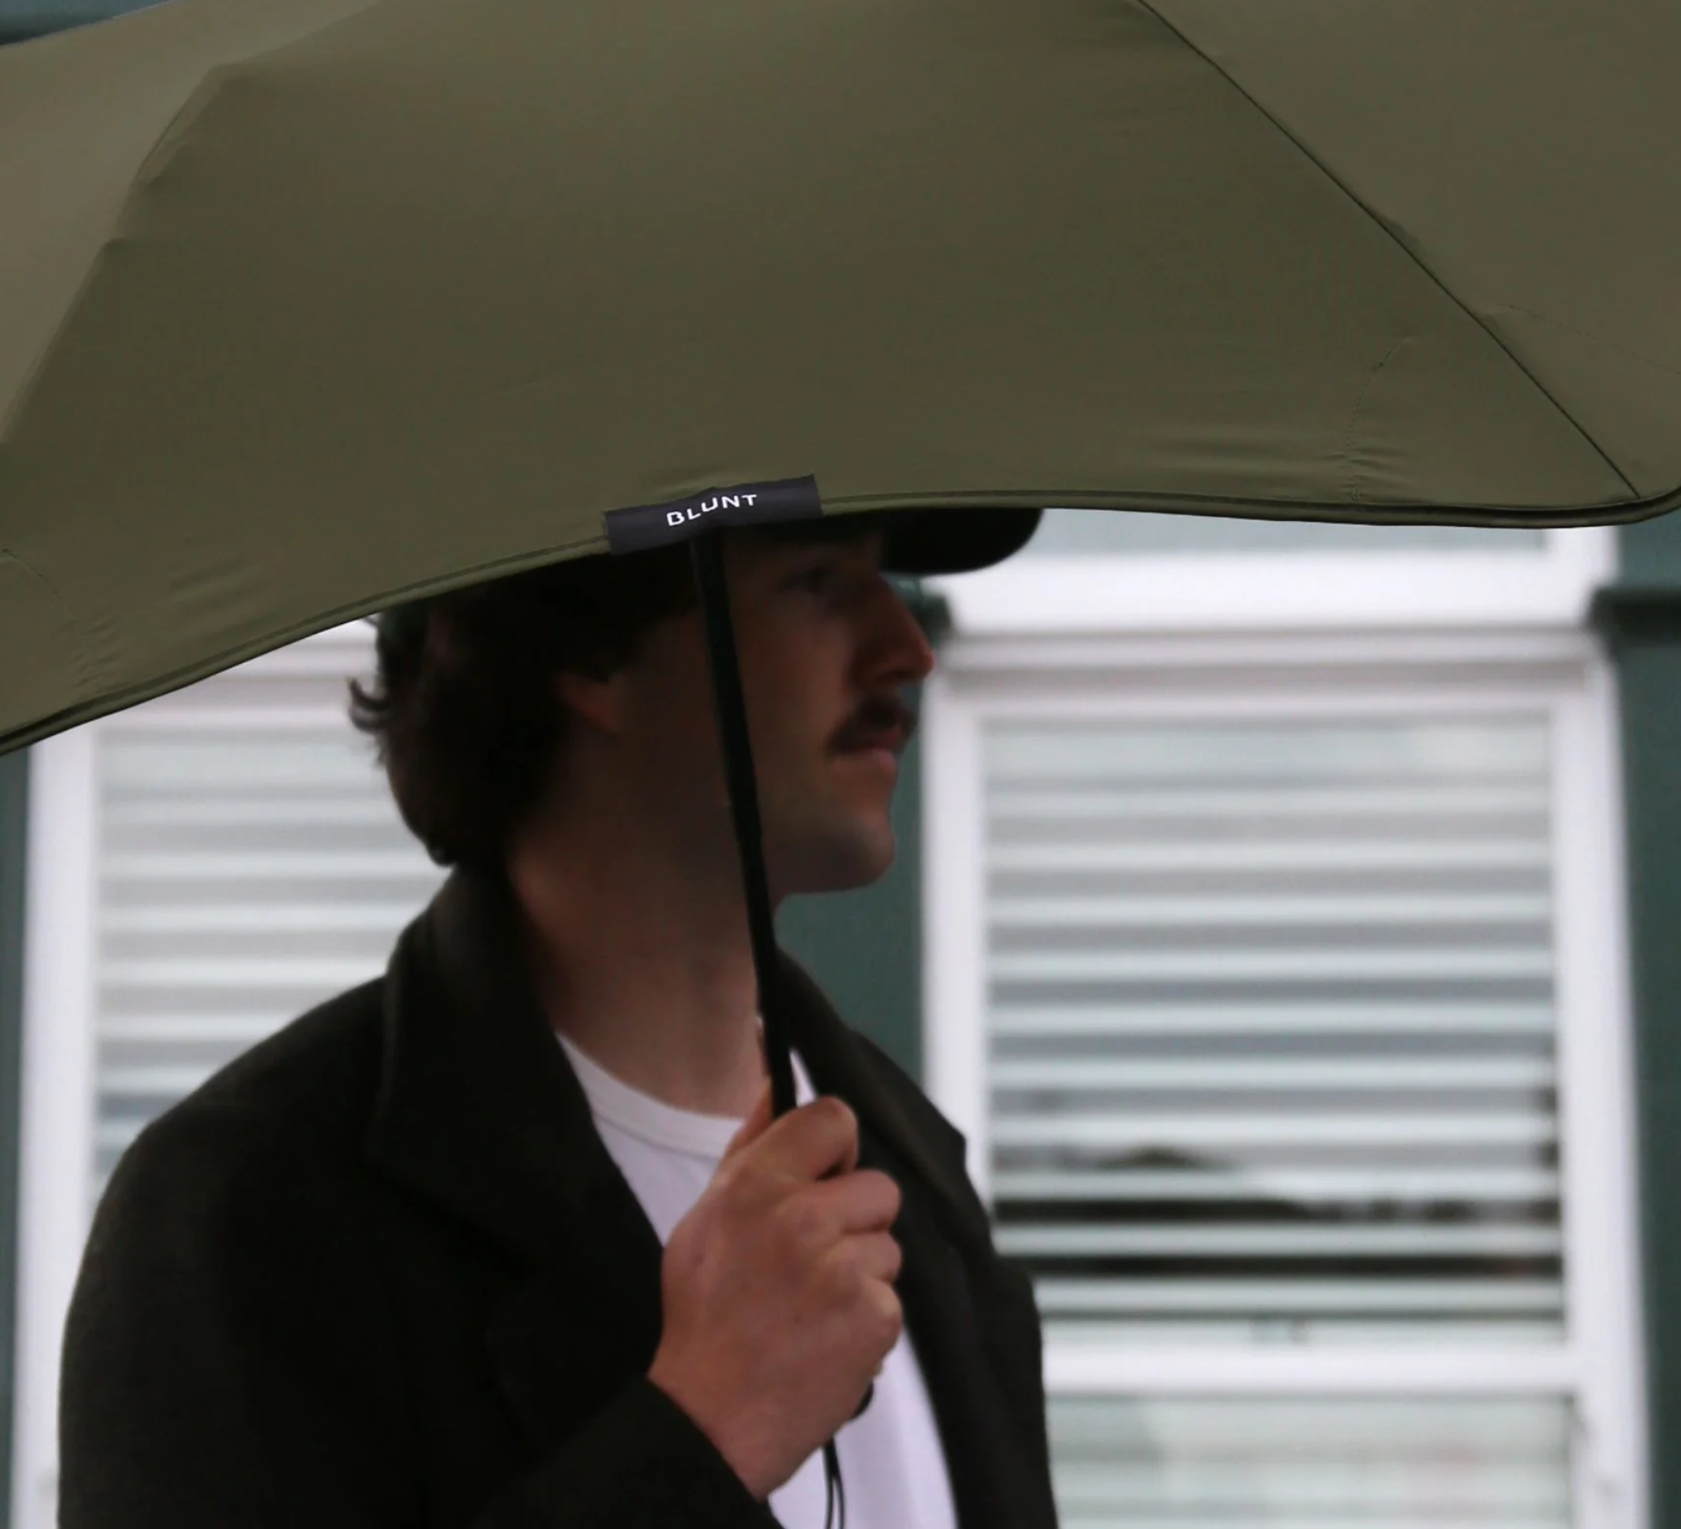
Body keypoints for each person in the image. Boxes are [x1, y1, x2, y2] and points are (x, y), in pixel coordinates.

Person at [59, 510, 1057, 1527]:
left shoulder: (913, 1172)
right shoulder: (251, 1211)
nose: (908, 647)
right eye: (813, 581)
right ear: (586, 651)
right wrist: (702, 1430)